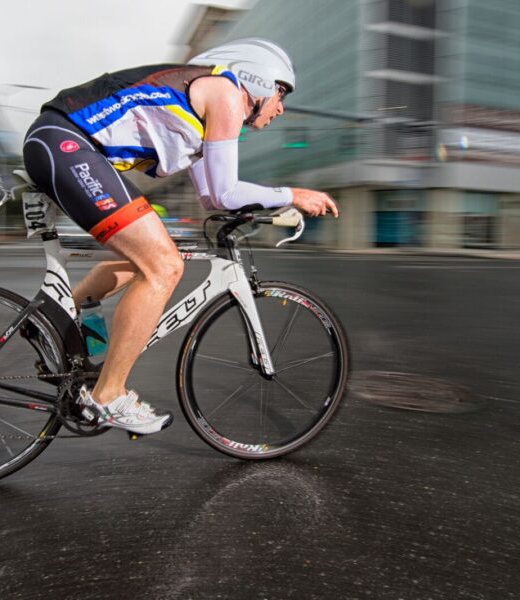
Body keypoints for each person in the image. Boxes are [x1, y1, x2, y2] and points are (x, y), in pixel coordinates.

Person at [22, 38, 338, 436]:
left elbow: (211, 196)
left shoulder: (208, 108)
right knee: (164, 267)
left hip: (60, 143)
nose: (281, 107)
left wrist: (264, 207)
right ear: (257, 78)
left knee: (147, 260)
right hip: (67, 145)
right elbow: (226, 193)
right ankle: (108, 395)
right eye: (281, 92)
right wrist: (293, 195)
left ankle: (49, 321)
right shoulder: (226, 93)